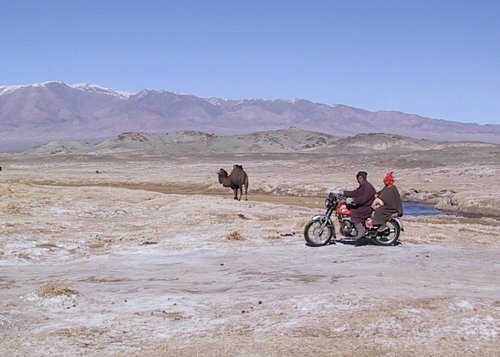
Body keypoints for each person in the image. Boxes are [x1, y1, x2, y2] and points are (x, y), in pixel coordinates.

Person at [343, 171, 376, 239]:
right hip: (363, 205)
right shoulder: (362, 186)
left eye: (360, 178)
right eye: (358, 178)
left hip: (367, 207)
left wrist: (353, 200)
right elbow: (355, 193)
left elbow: (363, 199)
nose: (359, 180)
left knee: (354, 212)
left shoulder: (367, 187)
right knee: (348, 207)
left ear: (364, 178)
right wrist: (344, 193)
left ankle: (361, 231)